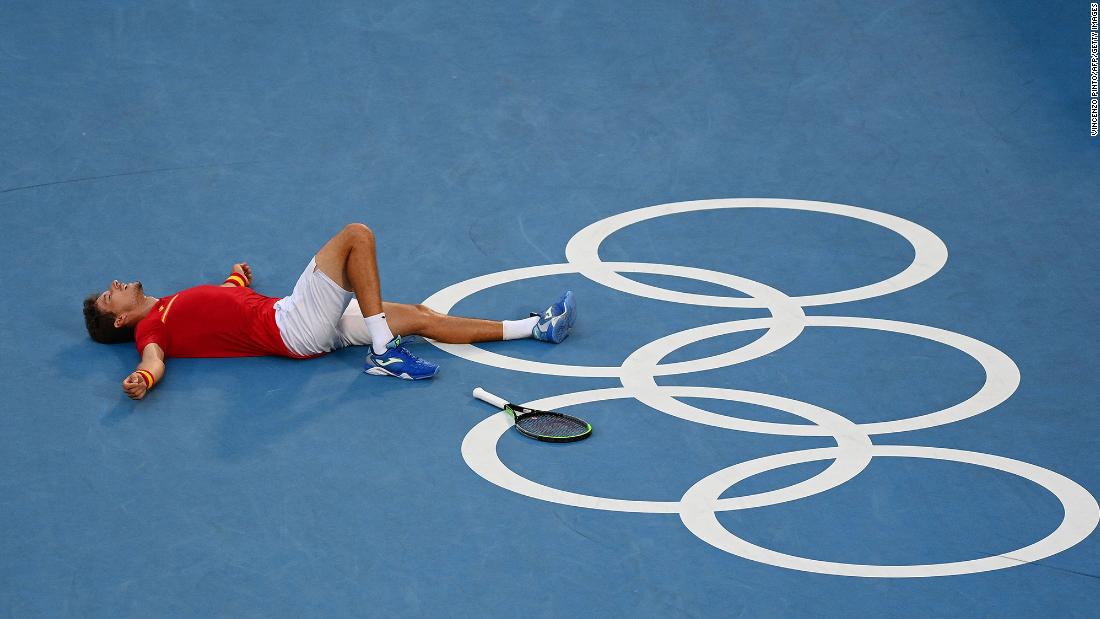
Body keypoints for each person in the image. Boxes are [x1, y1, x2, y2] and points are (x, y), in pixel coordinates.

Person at [82, 223, 576, 400]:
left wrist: (237, 278)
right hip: (291, 324)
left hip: (307, 326)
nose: (114, 286)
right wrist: (143, 380)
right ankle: (385, 351)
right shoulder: (151, 327)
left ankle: (537, 327)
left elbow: (222, 303)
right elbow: (153, 359)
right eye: (109, 298)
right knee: (356, 236)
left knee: (422, 315)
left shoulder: (170, 305)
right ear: (121, 321)